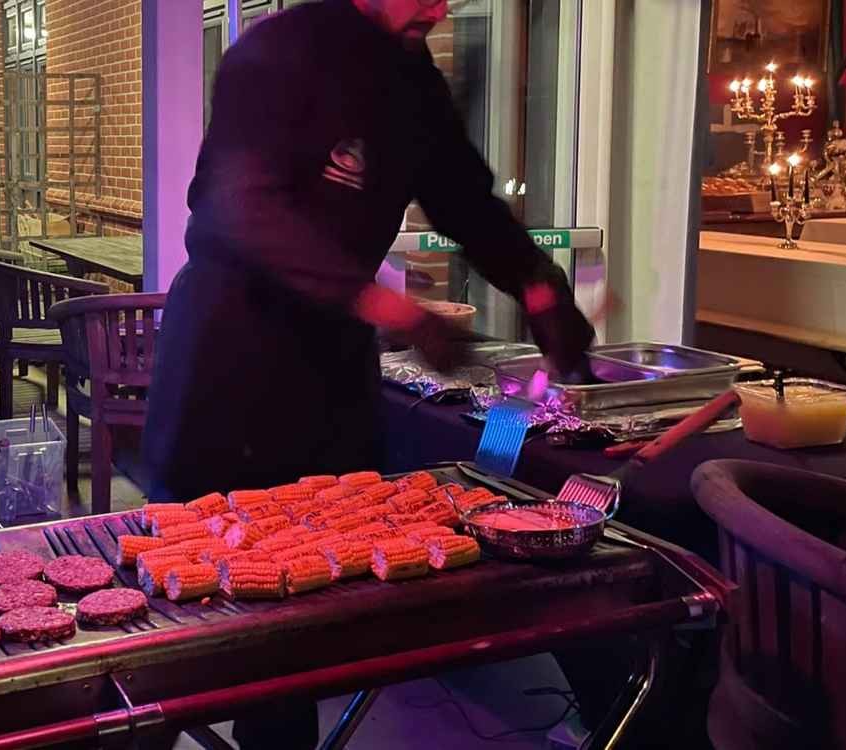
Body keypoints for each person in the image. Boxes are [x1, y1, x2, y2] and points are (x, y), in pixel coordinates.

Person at [142, 0, 594, 746]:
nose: (439, 7)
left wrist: (542, 289)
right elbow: (235, 209)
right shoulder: (277, 52)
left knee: (300, 636)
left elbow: (468, 204)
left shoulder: (412, 80)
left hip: (327, 376)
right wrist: (394, 309)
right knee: (183, 614)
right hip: (229, 369)